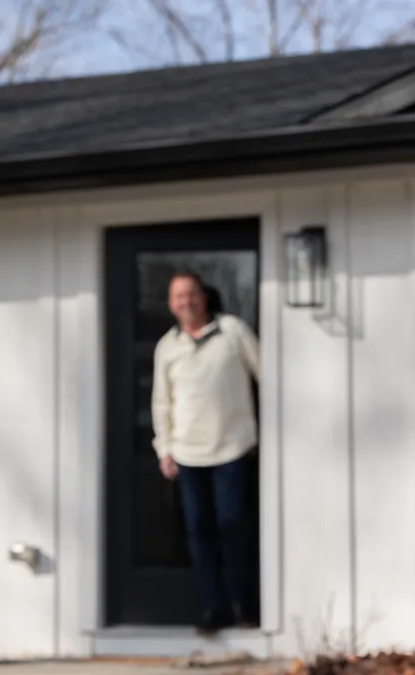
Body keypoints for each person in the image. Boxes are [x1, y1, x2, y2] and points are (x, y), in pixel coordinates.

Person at [150, 271, 261, 635]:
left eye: (192, 294)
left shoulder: (232, 331)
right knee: (199, 533)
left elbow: (266, 375)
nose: (187, 302)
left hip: (233, 447)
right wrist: (164, 448)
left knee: (232, 527)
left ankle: (244, 604)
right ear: (171, 304)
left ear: (204, 296)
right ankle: (215, 608)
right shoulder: (167, 347)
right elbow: (161, 402)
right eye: (179, 297)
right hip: (187, 454)